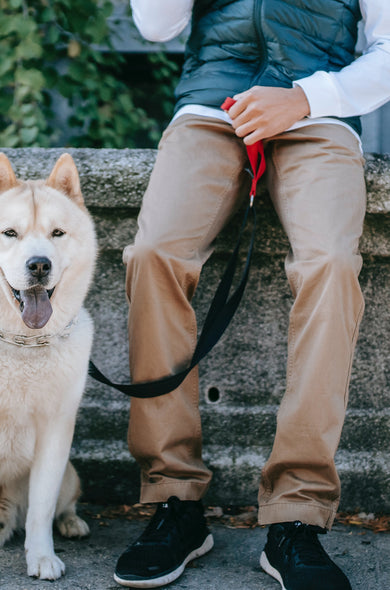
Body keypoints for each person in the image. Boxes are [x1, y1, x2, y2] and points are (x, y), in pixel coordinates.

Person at [115, 1, 390, 589]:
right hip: (209, 111)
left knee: (331, 266)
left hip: (317, 119)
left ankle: (297, 514)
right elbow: (154, 25)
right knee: (153, 254)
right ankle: (174, 501)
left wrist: (310, 98)